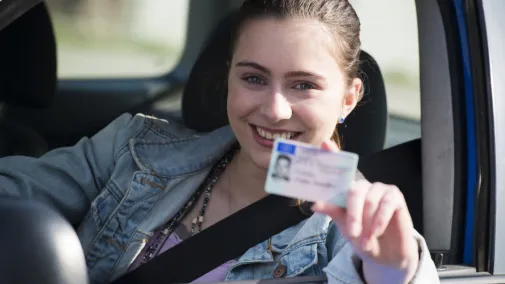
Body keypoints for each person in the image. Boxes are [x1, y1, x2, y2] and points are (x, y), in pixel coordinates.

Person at [0, 0, 439, 283]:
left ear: (349, 97)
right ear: (227, 77)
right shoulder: (135, 148)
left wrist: (392, 271)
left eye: (303, 85)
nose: (274, 109)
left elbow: (390, 266)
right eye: (253, 78)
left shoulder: (356, 232)